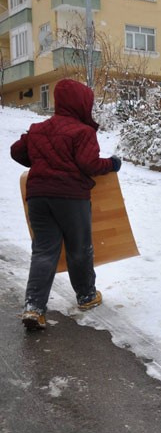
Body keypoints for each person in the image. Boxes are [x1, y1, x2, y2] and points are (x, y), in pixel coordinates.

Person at [10, 79, 121, 330]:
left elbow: (17, 151)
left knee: (44, 251)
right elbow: (90, 165)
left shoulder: (38, 129)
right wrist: (112, 164)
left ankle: (34, 307)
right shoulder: (83, 132)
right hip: (71, 198)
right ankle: (86, 296)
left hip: (37, 197)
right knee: (79, 247)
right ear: (80, 103)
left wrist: (41, 162)